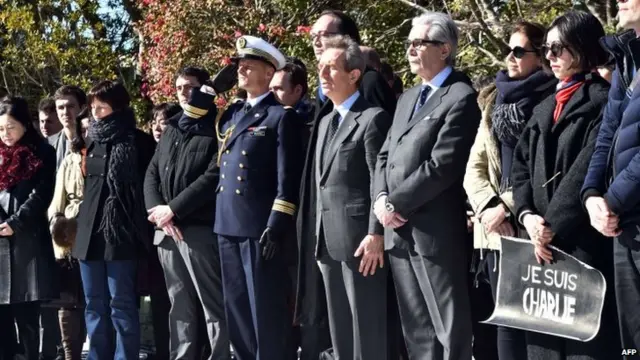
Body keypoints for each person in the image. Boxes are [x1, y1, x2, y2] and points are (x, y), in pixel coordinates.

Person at [372, 12, 480, 360]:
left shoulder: (461, 96)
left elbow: (442, 165)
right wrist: (380, 199)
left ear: (445, 49)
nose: (411, 50)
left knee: (450, 329)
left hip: (433, 231)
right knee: (417, 331)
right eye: (410, 44)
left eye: (420, 43)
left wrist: (396, 204)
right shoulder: (407, 98)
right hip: (398, 231)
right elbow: (384, 156)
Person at [512, 11, 618, 359]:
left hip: (582, 246)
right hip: (538, 247)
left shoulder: (603, 101)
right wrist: (527, 215)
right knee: (541, 345)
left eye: (559, 47)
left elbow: (588, 170)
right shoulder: (543, 107)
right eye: (547, 48)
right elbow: (520, 168)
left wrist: (550, 228)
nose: (550, 56)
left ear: (583, 48)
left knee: (583, 347)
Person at [297, 11, 399, 360]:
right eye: (321, 68)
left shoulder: (372, 118)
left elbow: (379, 179)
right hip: (327, 241)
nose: (322, 75)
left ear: (354, 74)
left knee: (366, 329)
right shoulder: (325, 121)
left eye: (332, 69)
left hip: (361, 241)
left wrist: (376, 233)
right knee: (339, 329)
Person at [463, 21, 557, 360]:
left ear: (540, 56)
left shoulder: (550, 97)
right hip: (494, 231)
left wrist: (508, 206)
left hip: (532, 227)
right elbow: (474, 166)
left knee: (535, 326)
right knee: (504, 321)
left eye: (520, 51)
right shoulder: (492, 100)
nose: (510, 57)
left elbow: (540, 169)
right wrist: (489, 206)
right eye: (509, 50)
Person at [210, 35, 303, 360]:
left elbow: (287, 179)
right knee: (237, 315)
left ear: (270, 73)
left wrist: (277, 225)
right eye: (239, 65)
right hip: (228, 225)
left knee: (265, 316)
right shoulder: (233, 115)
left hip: (259, 229)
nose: (241, 69)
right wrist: (210, 89)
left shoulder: (281, 116)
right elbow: (190, 116)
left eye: (250, 65)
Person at [144, 73, 231, 359]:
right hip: (166, 231)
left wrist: (174, 209)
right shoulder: (172, 128)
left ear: (205, 90)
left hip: (198, 229)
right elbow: (152, 173)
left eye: (190, 88)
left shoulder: (218, 127)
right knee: (179, 304)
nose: (183, 93)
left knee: (212, 304)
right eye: (178, 87)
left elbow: (213, 174)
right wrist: (161, 214)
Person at [72, 81, 156, 360]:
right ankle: (97, 355)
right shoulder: (90, 140)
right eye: (93, 107)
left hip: (121, 232)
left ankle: (125, 356)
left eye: (102, 107)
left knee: (121, 303)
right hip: (89, 232)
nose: (95, 113)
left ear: (118, 107)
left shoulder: (139, 141)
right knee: (93, 303)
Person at [581, 0, 640, 353]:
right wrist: (591, 195)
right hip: (622, 225)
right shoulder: (626, 57)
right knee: (631, 344)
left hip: (622, 211)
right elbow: (607, 135)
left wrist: (611, 202)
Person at [0, 96, 57, 360]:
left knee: (27, 315)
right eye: (0, 128)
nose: (6, 134)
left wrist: (15, 223)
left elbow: (41, 195)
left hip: (27, 242)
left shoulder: (42, 152)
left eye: (10, 126)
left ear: (24, 124)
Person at [47, 108, 91, 360]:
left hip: (97, 233)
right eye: (82, 129)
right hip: (69, 234)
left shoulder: (108, 155)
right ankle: (70, 355)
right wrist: (57, 225)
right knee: (68, 300)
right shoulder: (70, 159)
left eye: (90, 128)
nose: (86, 133)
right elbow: (57, 200)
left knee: (94, 299)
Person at [52, 86, 87, 170]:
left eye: (70, 106)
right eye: (61, 108)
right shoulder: (51, 145)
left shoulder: (94, 142)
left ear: (83, 108)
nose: (65, 112)